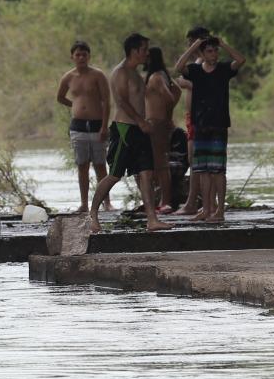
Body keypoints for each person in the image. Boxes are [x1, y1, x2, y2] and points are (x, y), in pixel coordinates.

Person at [88, 34, 168, 233]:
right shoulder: (121, 72)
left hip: (140, 129)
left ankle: (152, 219)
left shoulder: (136, 73)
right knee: (114, 175)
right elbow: (122, 101)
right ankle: (92, 214)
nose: (147, 53)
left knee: (146, 174)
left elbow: (141, 101)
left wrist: (148, 120)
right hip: (125, 129)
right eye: (144, 49)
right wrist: (141, 121)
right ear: (134, 50)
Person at [174, 33, 245, 223]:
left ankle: (219, 211)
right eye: (209, 51)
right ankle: (206, 209)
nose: (214, 54)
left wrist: (223, 43)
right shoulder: (196, 71)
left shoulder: (223, 69)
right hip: (200, 125)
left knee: (218, 170)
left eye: (215, 51)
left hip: (219, 125)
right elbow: (178, 67)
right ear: (203, 54)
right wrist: (194, 46)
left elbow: (240, 60)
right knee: (203, 170)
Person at [55, 40, 111, 214]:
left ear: (89, 56)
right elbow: (60, 97)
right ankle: (84, 203)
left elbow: (107, 102)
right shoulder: (68, 77)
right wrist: (75, 105)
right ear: (72, 57)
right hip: (78, 126)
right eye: (78, 55)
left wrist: (104, 126)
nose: (81, 58)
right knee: (82, 165)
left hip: (96, 125)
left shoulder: (98, 75)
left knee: (100, 165)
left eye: (84, 54)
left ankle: (106, 202)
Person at [142, 46, 181, 214]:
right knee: (155, 163)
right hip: (155, 123)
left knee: (161, 164)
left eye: (146, 55)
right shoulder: (160, 75)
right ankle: (160, 200)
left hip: (157, 123)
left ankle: (166, 202)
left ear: (152, 58)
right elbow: (178, 90)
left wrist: (167, 118)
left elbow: (171, 97)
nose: (143, 57)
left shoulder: (157, 77)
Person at [177, 26, 211, 216]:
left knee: (197, 159)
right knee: (193, 159)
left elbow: (208, 87)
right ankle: (198, 201)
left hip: (201, 116)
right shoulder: (197, 61)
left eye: (191, 42)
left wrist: (186, 84)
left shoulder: (206, 60)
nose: (189, 45)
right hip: (192, 116)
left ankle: (195, 202)